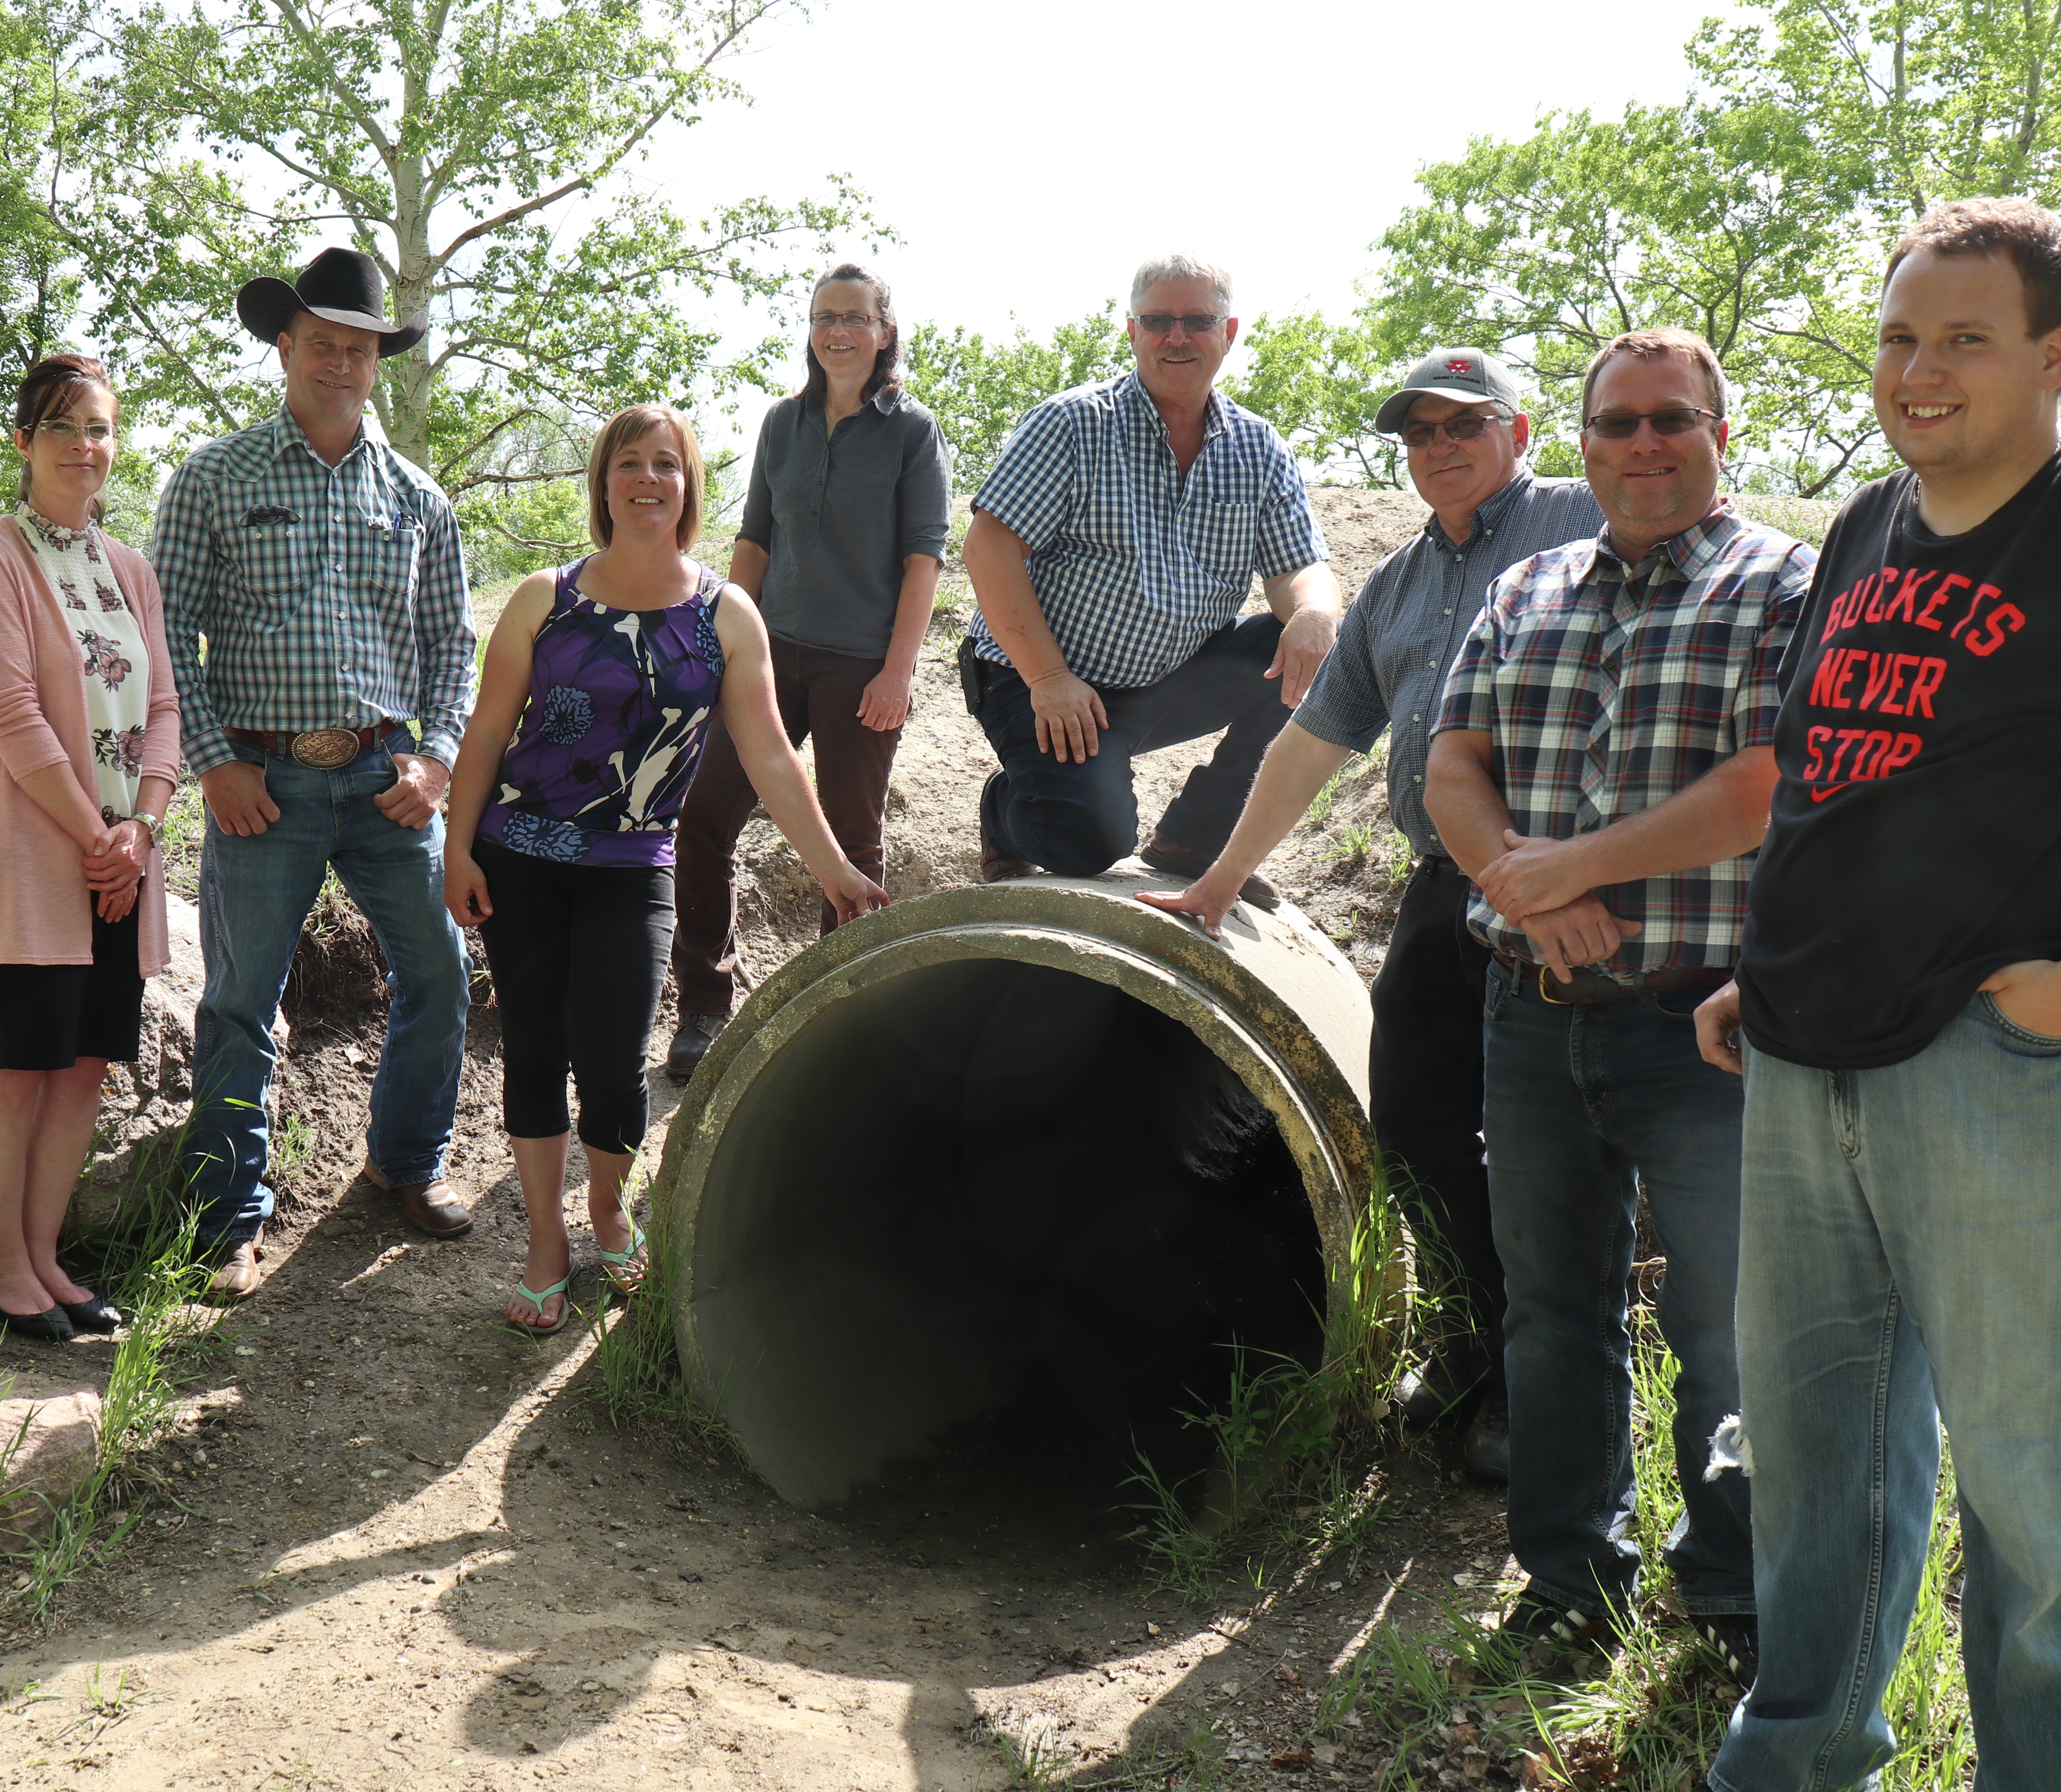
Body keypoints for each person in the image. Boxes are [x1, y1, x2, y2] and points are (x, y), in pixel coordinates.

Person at [1696, 200, 2061, 1792]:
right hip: (1806, 1063)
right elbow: (1830, 775)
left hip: (2009, 1070)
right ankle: (1796, 1764)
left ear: (2053, 355)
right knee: (1819, 1473)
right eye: (1896, 335)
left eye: (1963, 339)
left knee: (2044, 1497)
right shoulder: (1870, 524)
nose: (1916, 369)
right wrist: (1763, 965)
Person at [1138, 348, 1604, 1482]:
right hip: (1444, 891)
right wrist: (1214, 880)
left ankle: (1541, 1398)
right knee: (1413, 1121)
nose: (1438, 446)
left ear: (1521, 430)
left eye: (1463, 424)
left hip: (1568, 894)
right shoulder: (1398, 581)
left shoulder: (1583, 516)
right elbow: (1311, 742)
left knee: (1550, 1152)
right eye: (1418, 432)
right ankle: (1470, 1343)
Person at [1423, 327, 1811, 1683]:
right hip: (1532, 1014)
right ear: (1579, 445)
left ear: (1720, 433)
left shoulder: (1784, 584)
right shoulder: (1527, 583)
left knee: (1725, 1322)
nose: (1644, 444)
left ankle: (1730, 1591)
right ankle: (1569, 1581)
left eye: (1670, 420)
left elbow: (1767, 781)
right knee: (1551, 1311)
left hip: (1700, 1023)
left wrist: (1569, 869)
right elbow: (1452, 764)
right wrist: (1519, 889)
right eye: (1618, 423)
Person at [445, 405, 889, 1335]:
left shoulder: (725, 615)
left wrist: (838, 871)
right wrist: (457, 849)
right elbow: (486, 731)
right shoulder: (545, 597)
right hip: (519, 858)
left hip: (634, 865)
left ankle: (607, 1206)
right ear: (603, 483)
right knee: (532, 1050)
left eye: (667, 465)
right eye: (629, 464)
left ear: (689, 487)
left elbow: (771, 754)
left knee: (613, 1063)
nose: (648, 479)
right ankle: (542, 1240)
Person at [153, 247, 478, 1297]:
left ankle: (405, 1161)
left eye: (360, 347)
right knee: (241, 1001)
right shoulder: (215, 476)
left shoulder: (420, 498)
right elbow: (167, 636)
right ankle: (229, 1222)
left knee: (438, 971)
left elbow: (451, 649)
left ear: (379, 360)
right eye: (323, 343)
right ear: (286, 346)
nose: (341, 362)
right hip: (263, 786)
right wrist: (213, 764)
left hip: (389, 780)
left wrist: (435, 759)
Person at [962, 252, 1340, 886]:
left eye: (1197, 320)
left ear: (1230, 332)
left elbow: (1299, 565)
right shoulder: (1073, 423)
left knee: (1322, 646)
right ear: (1132, 331)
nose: (1177, 336)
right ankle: (1005, 812)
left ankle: (1196, 843)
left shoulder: (1258, 446)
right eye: (1159, 320)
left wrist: (1313, 612)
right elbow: (989, 549)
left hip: (1169, 679)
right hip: (1039, 678)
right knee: (1090, 846)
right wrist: (1049, 677)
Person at [0, 354, 181, 1340]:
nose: (87, 448)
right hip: (33, 852)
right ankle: (2, 1261)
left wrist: (144, 827)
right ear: (23, 441)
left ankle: (47, 1254)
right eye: (64, 429)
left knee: (83, 1064)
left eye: (102, 429)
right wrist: (97, 835)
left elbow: (166, 703)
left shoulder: (129, 567)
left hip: (122, 859)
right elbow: (10, 712)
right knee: (18, 1063)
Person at [664, 262, 948, 1080]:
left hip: (861, 665)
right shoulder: (781, 426)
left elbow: (923, 558)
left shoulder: (911, 431)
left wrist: (898, 672)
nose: (839, 330)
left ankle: (830, 1021)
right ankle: (705, 1009)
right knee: (704, 816)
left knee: (853, 839)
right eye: (826, 315)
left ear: (885, 331)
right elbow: (753, 540)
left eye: (857, 316)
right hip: (769, 655)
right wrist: (716, 639)